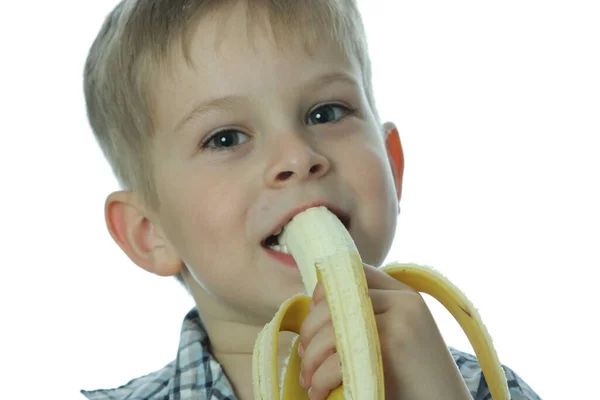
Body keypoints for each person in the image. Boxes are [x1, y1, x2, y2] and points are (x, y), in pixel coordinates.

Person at [80, 1, 541, 399]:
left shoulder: (483, 388)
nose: (299, 157)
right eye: (226, 138)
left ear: (393, 166)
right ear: (149, 232)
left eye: (326, 113)